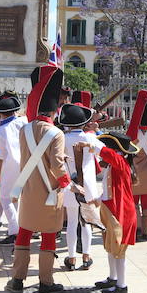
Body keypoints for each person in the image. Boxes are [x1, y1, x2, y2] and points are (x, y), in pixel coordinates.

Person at [5, 65, 70, 293]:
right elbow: (57, 166)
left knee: (24, 232)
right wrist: (67, 183)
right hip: (49, 192)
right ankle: (46, 282)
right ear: (54, 110)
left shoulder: (25, 129)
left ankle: (17, 279)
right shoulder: (56, 133)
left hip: (29, 190)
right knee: (49, 235)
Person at [90, 132, 139, 293]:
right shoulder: (117, 163)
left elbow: (105, 152)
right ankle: (113, 278)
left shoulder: (120, 162)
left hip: (121, 212)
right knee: (111, 247)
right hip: (111, 208)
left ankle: (122, 284)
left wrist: (87, 140)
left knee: (119, 250)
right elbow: (108, 187)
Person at [58, 103, 100, 270]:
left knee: (73, 221)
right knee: (86, 222)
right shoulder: (90, 138)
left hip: (71, 185)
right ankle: (86, 256)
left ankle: (71, 257)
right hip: (88, 185)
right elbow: (103, 153)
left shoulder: (63, 138)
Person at [0, 94, 27, 246]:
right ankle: (20, 228)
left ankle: (15, 231)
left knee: (6, 198)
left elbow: (3, 154)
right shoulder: (24, 121)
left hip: (11, 164)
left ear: (0, 113)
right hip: (28, 162)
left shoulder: (0, 130)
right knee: (17, 198)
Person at [126, 89, 147, 240]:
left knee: (134, 204)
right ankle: (146, 232)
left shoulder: (131, 136)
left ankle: (137, 230)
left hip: (134, 172)